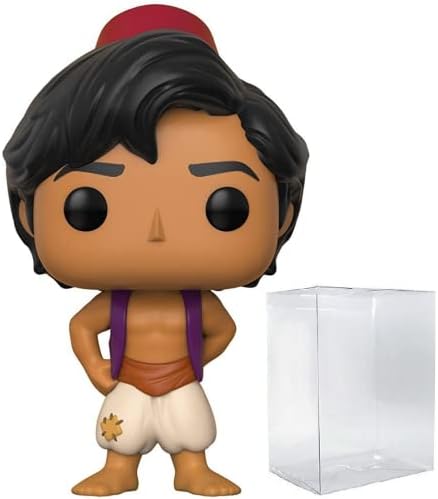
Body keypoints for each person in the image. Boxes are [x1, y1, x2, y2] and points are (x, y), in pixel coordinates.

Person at [4, 4, 308, 496]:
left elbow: (224, 329)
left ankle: (191, 469)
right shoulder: (117, 303)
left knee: (191, 429)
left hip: (179, 379)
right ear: (27, 215)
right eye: (89, 207)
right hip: (129, 380)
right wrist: (96, 366)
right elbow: (81, 326)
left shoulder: (195, 304)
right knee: (120, 432)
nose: (156, 232)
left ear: (282, 215)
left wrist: (193, 364)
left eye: (224, 207)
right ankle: (119, 470)